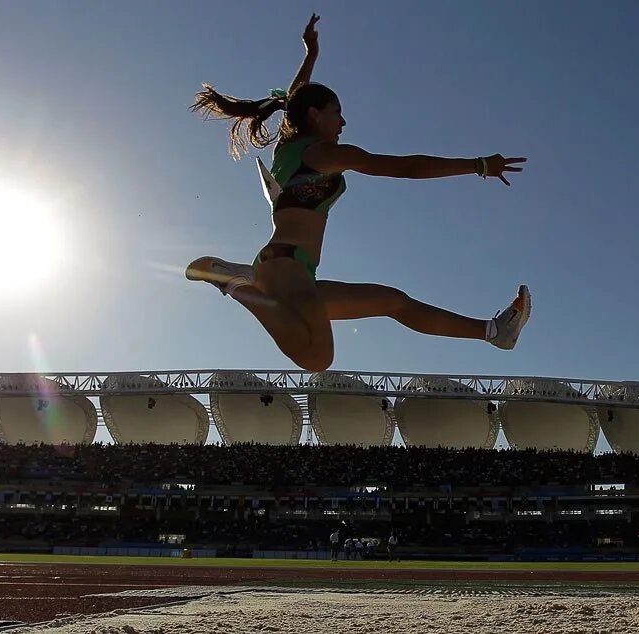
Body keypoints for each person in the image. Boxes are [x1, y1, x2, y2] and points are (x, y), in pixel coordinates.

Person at [187, 14, 530, 372]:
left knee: (394, 302)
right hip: (286, 267)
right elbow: (406, 167)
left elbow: (294, 100)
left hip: (293, 267)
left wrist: (311, 56)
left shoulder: (287, 150)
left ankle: (495, 332)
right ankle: (235, 282)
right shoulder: (328, 154)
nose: (343, 122)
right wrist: (478, 165)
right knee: (317, 357)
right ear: (316, 115)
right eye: (338, 113)